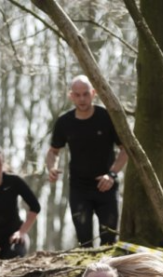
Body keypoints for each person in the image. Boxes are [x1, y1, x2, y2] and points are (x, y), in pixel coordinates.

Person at [45, 75, 128, 248]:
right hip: (79, 188)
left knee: (108, 240)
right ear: (71, 96)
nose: (82, 99)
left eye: (85, 94)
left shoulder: (106, 117)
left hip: (106, 186)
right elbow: (53, 151)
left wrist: (111, 175)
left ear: (93, 93)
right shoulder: (64, 122)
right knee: (85, 241)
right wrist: (51, 167)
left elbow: (125, 150)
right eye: (77, 95)